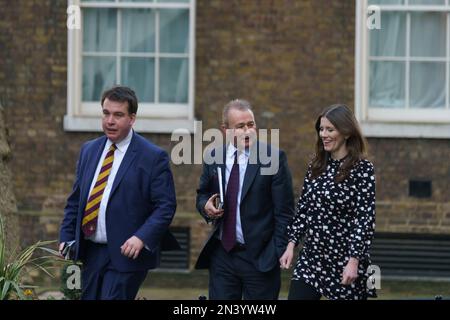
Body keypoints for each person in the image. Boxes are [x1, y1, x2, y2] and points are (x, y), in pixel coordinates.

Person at [59, 85, 178, 300]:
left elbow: (166, 206)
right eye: (106, 113)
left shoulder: (152, 157)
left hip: (126, 254)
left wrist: (141, 238)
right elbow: (76, 200)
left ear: (132, 118)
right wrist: (67, 236)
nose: (110, 121)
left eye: (118, 115)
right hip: (89, 252)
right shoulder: (89, 150)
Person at [195, 99, 295, 300]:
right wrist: (206, 206)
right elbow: (202, 194)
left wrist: (275, 251)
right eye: (240, 127)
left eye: (251, 125)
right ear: (226, 130)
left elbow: (285, 212)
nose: (247, 131)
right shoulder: (214, 156)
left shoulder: (273, 158)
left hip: (259, 257)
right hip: (222, 255)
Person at [280, 104, 376, 300]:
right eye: (321, 129)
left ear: (346, 132)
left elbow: (364, 219)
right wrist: (291, 244)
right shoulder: (317, 164)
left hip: (345, 260)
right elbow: (304, 209)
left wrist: (354, 260)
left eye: (330, 129)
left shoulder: (362, 169)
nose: (323, 134)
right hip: (312, 258)